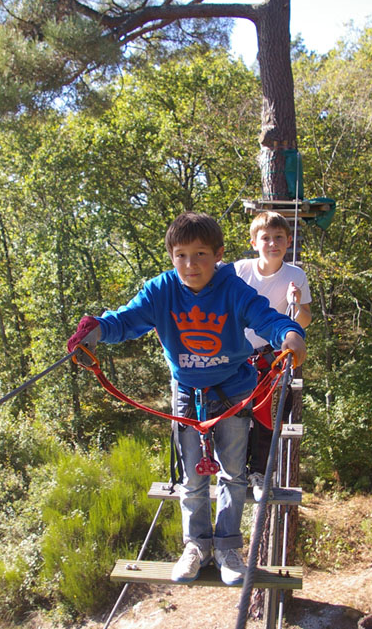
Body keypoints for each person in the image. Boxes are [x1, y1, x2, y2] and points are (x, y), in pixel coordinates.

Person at [66, 212, 306, 586]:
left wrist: (289, 334)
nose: (190, 265)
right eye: (181, 256)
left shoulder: (233, 289)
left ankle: (227, 547)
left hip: (233, 392)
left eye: (200, 255)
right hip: (188, 396)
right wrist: (95, 330)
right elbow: (126, 320)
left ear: (219, 255)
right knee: (192, 477)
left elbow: (265, 317)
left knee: (233, 473)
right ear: (171, 256)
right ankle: (196, 545)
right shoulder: (161, 291)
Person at [234, 211, 312, 502]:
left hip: (270, 356)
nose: (273, 243)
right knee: (234, 412)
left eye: (279, 237)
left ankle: (259, 472)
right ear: (254, 242)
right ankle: (233, 469)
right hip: (236, 354)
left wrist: (295, 302)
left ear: (288, 241)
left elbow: (303, 320)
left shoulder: (295, 275)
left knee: (264, 413)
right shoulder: (239, 270)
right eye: (265, 238)